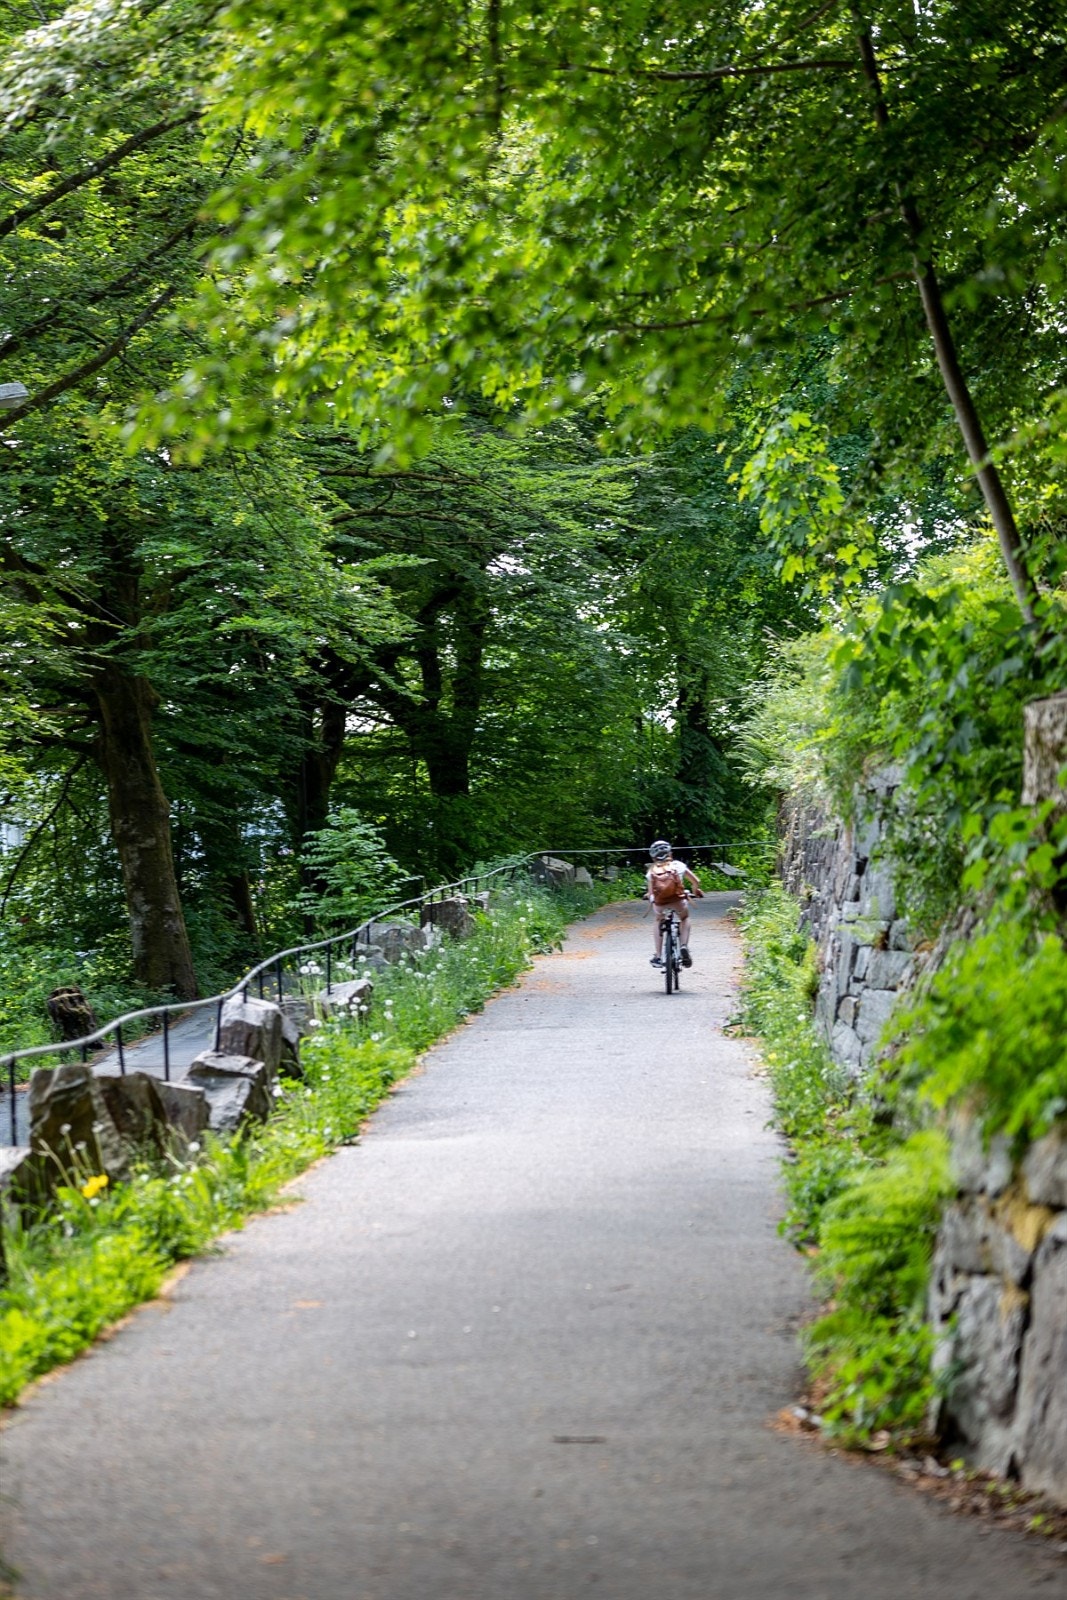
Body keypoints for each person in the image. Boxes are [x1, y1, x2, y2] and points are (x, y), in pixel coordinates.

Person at [645, 840, 703, 968]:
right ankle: (683, 946)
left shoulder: (652, 871)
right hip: (678, 901)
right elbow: (696, 881)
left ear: (653, 856)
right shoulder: (679, 865)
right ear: (670, 852)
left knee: (658, 920)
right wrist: (695, 890)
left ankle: (659, 956)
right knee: (685, 918)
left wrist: (649, 896)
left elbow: (651, 893)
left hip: (660, 904)